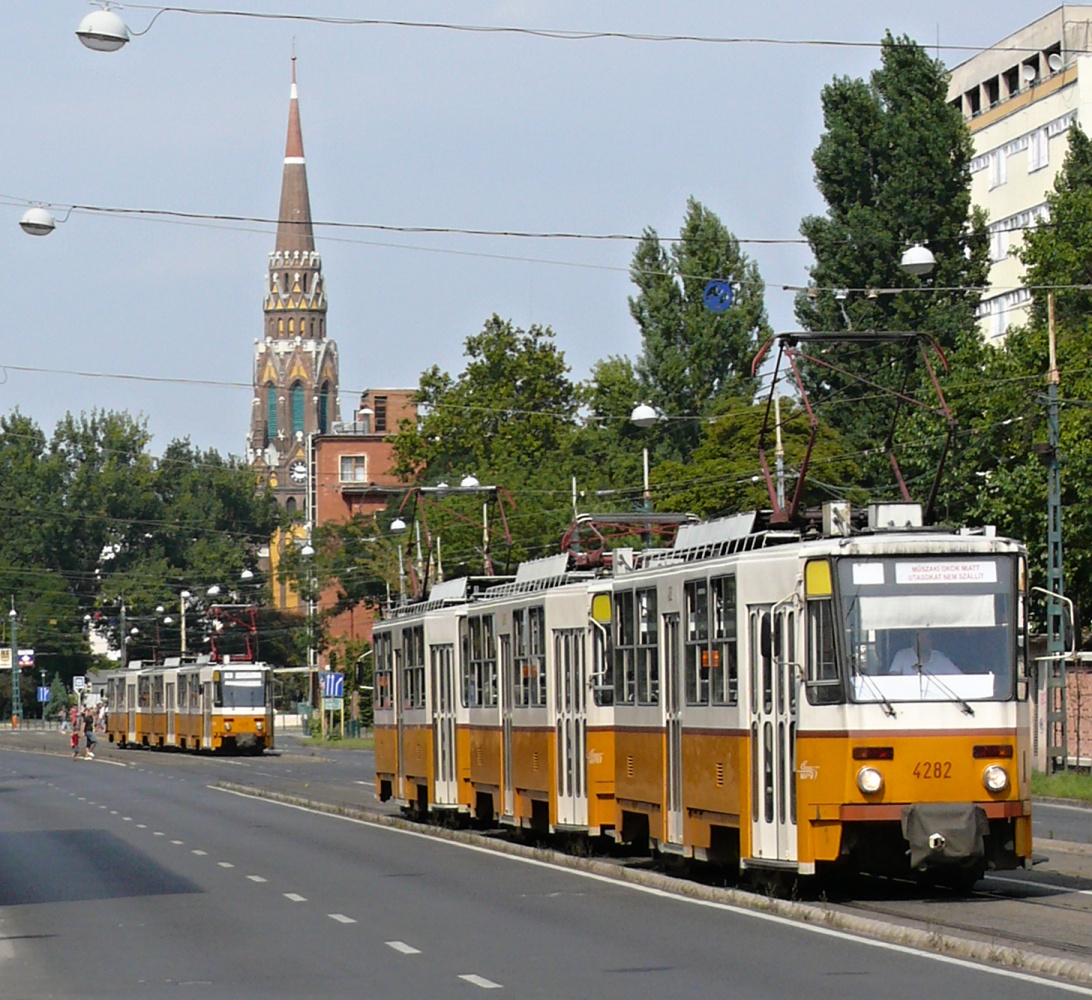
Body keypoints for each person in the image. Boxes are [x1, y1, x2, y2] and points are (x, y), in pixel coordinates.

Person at [889, 630, 959, 674]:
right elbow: (892, 681)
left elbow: (960, 678)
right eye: (921, 637)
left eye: (927, 637)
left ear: (931, 640)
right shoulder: (902, 655)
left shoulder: (941, 658)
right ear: (913, 639)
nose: (923, 641)